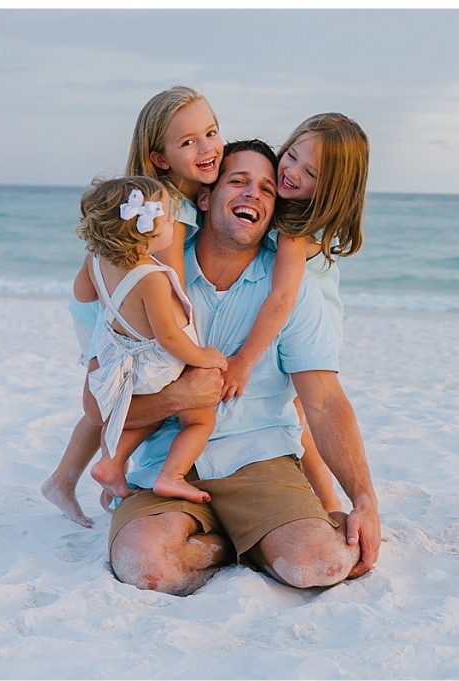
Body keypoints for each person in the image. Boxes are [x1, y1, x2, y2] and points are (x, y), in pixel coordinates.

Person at [88, 140, 380, 595]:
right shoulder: (149, 278)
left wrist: (364, 499)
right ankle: (230, 541)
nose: (253, 194)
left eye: (266, 189)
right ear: (205, 197)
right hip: (164, 466)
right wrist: (176, 399)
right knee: (145, 566)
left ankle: (255, 531)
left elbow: (322, 400)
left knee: (319, 565)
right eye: (238, 181)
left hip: (259, 460)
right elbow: (95, 407)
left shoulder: (291, 290)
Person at [42, 86, 224, 527]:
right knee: (107, 399)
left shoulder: (145, 195)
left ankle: (73, 478)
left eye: (211, 132)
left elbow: (89, 276)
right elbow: (171, 285)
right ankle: (83, 476)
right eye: (188, 142)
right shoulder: (167, 210)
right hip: (116, 315)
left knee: (108, 395)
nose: (207, 148)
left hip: (103, 304)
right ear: (159, 157)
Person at [220, 113, 369, 513]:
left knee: (301, 419)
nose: (292, 172)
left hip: (310, 313)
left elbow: (284, 296)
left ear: (332, 188)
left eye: (311, 173)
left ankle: (331, 504)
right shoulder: (287, 205)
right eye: (292, 155)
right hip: (299, 306)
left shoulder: (296, 228)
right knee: (296, 417)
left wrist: (243, 361)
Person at [73, 176, 227, 504]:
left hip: (117, 352)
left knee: (146, 417)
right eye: (169, 216)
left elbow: (82, 293)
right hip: (151, 364)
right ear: (146, 229)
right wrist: (203, 357)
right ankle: (171, 476)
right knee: (201, 418)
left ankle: (111, 463)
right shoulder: (151, 279)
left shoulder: (97, 259)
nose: (173, 221)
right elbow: (169, 338)